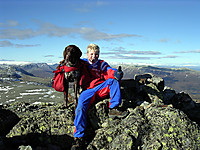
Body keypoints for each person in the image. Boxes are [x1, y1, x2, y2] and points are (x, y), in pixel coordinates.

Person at [71, 43, 127, 150]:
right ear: (87, 54)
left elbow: (109, 71)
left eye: (96, 54)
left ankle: (113, 108)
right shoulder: (82, 63)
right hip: (87, 90)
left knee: (113, 81)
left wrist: (116, 73)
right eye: (91, 54)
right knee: (80, 107)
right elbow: (71, 66)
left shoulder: (101, 64)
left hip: (100, 88)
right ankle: (78, 137)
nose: (94, 56)